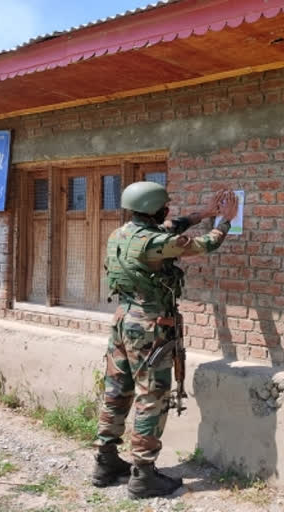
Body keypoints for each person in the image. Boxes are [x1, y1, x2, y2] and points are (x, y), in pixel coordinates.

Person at [92, 181, 238, 499]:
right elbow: (205, 245)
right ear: (157, 210)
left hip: (122, 322)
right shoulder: (157, 242)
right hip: (150, 328)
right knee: (152, 398)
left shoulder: (120, 235)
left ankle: (105, 463)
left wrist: (205, 212)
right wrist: (225, 220)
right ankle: (143, 476)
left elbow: (172, 226)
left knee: (116, 392)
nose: (168, 212)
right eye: (165, 207)